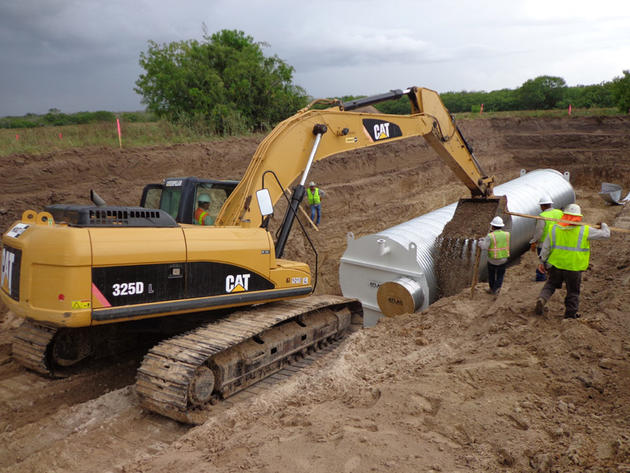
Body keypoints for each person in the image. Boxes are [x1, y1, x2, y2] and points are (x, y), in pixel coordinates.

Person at [534, 203, 610, 319]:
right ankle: (570, 315)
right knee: (573, 291)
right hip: (574, 267)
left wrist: (542, 262)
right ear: (578, 217)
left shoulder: (554, 228)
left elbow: (546, 247)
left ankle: (542, 299)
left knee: (551, 284)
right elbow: (606, 235)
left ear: (564, 216)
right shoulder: (585, 230)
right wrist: (604, 225)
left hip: (556, 265)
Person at [529, 196, 564, 282]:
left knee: (543, 260)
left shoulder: (542, 216)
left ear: (543, 206)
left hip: (544, 244)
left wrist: (534, 242)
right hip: (558, 242)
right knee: (555, 260)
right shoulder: (560, 213)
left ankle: (541, 277)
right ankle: (556, 276)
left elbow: (539, 232)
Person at [478, 216, 510, 296]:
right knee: (500, 275)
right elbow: (498, 240)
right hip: (503, 259)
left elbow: (484, 247)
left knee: (491, 274)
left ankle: (492, 289)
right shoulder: (507, 234)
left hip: (493, 260)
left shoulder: (490, 236)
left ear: (492, 226)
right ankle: (497, 289)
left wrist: (481, 242)